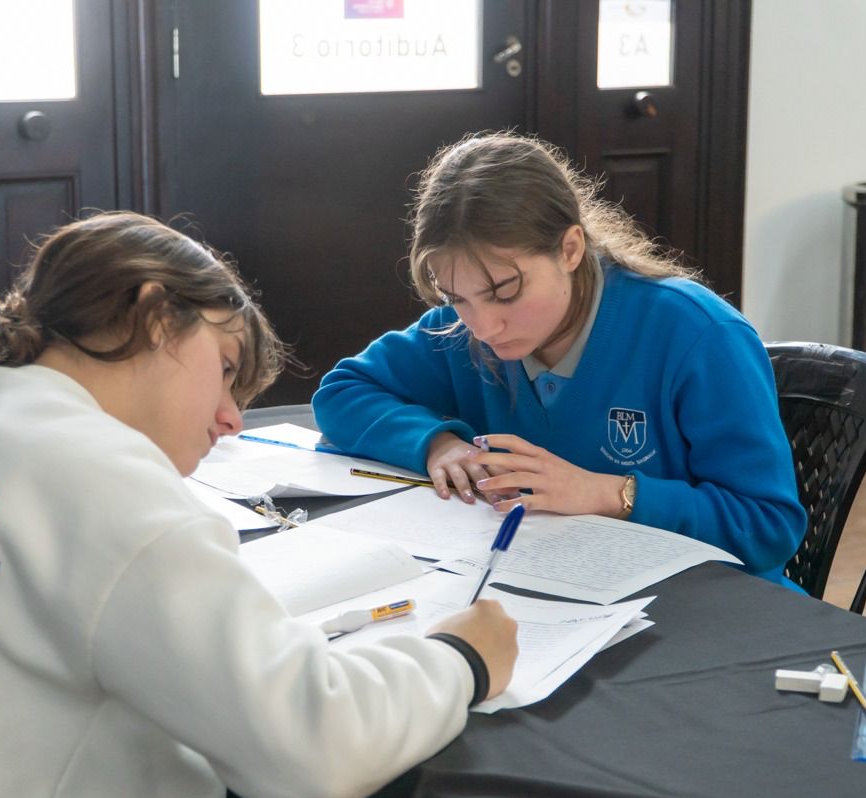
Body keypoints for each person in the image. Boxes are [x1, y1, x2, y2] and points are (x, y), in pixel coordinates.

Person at [0, 211, 517, 798]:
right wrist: (461, 658)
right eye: (226, 369)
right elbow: (318, 747)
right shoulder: (98, 474)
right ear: (155, 315)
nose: (231, 419)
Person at [313, 132, 806, 587]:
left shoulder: (698, 335)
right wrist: (438, 445)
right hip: (545, 591)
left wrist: (608, 494)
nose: (483, 327)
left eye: (505, 291)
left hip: (705, 606)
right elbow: (342, 394)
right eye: (456, 297)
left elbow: (769, 525)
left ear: (570, 249)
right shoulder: (459, 331)